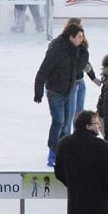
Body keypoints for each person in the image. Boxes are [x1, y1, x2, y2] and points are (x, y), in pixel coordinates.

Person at [55, 110, 108, 214]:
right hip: (99, 204)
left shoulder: (63, 143)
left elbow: (59, 172)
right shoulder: (101, 145)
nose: (99, 125)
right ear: (88, 126)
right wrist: (107, 193)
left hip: (76, 202)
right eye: (96, 123)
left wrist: (72, 184)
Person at [35, 23, 83, 168]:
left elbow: (83, 64)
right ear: (71, 37)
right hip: (55, 91)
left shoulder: (76, 49)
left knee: (67, 123)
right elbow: (43, 70)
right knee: (59, 121)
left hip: (70, 90)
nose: (82, 39)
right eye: (79, 37)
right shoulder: (56, 49)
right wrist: (38, 90)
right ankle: (53, 151)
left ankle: (64, 151)